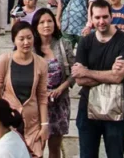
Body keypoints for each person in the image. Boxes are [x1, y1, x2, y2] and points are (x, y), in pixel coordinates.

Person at [73, 0, 124, 158]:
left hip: (114, 108)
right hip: (87, 109)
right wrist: (108, 74)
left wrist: (87, 72)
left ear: (111, 16)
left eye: (105, 17)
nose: (101, 21)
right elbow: (79, 80)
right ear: (91, 19)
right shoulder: (86, 41)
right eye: (97, 17)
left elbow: (117, 77)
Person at [0, 22, 50, 156]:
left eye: (29, 38)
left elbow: (42, 96)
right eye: (21, 39)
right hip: (10, 123)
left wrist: (44, 124)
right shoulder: (3, 61)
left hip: (32, 124)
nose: (26, 42)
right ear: (14, 40)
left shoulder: (41, 63)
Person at [32, 8, 73, 158]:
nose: (46, 25)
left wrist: (61, 88)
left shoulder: (64, 45)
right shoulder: (30, 48)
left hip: (59, 103)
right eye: (42, 22)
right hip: (37, 104)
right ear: (36, 26)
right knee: (37, 146)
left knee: (55, 146)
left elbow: (74, 72)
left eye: (49, 21)